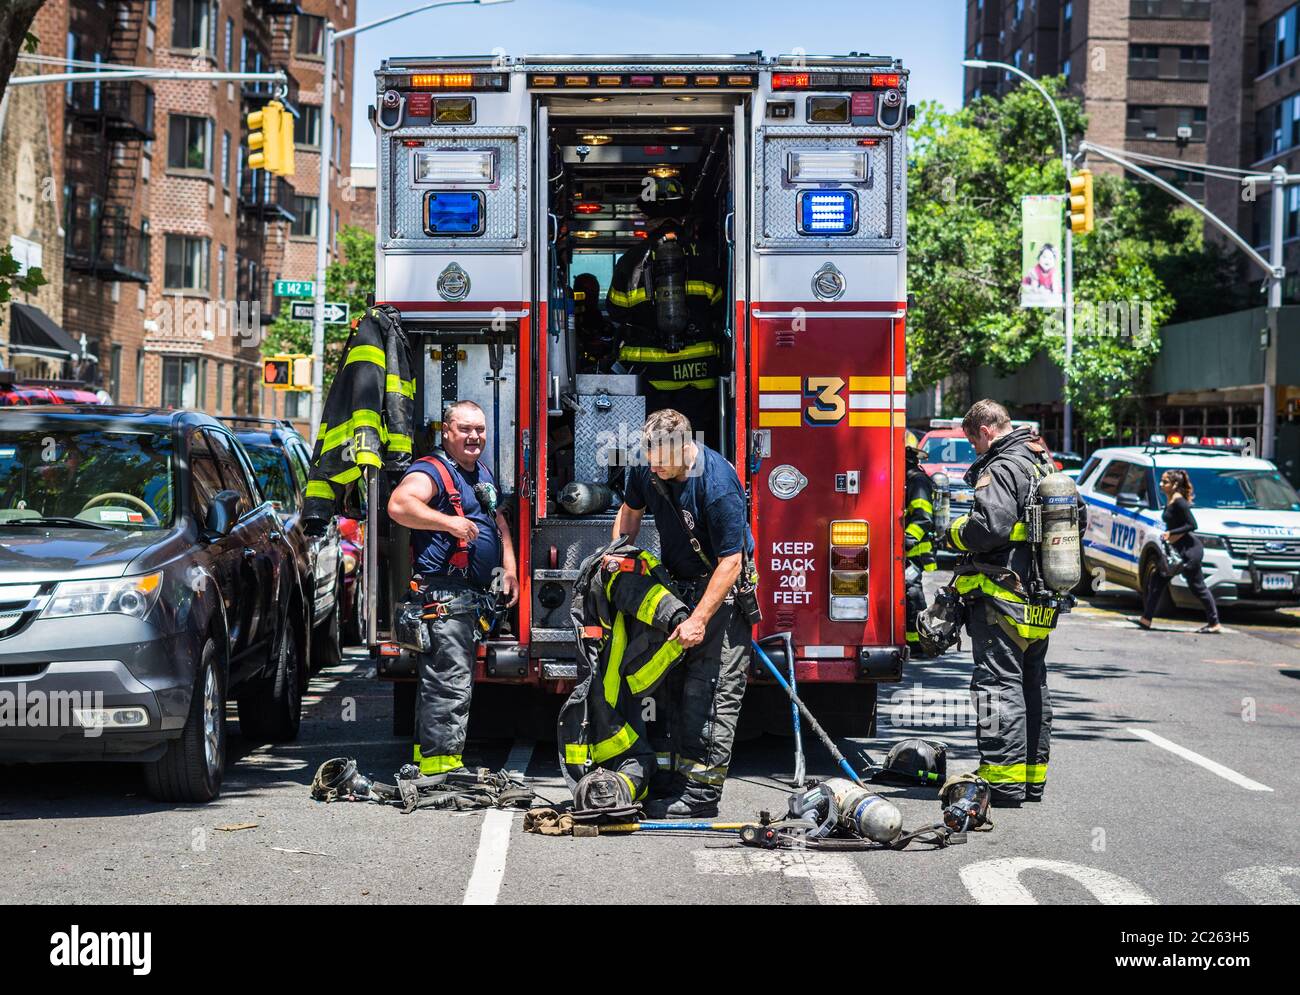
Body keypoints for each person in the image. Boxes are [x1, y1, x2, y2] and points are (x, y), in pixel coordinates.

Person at [610, 408, 754, 818]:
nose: (654, 466)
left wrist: (698, 619)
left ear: (686, 446)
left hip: (720, 595)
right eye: (650, 456)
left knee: (708, 694)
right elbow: (630, 515)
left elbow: (732, 563)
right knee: (672, 690)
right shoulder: (646, 465)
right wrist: (616, 557)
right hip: (679, 587)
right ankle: (676, 781)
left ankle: (702, 794)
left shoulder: (718, 484)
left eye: (663, 459)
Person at [944, 399, 1084, 807]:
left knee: (996, 686)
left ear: (985, 431)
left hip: (1003, 597)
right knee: (1031, 684)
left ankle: (1002, 782)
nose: (974, 450)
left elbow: (990, 527)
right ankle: (1030, 779)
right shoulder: (1043, 464)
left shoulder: (1002, 467)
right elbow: (1081, 519)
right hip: (1040, 598)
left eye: (973, 442)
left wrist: (953, 533)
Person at [387, 400, 519, 775]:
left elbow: (497, 522)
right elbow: (399, 505)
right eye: (465, 429)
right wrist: (448, 524)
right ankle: (439, 769)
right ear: (446, 432)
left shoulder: (480, 473)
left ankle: (439, 761)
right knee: (448, 683)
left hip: (472, 598)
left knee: (454, 680)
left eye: (479, 429)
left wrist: (508, 568)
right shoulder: (431, 470)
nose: (474, 436)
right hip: (444, 595)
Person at [607, 179, 726, 447]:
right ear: (683, 216)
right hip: (698, 378)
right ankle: (696, 486)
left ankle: (654, 486)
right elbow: (720, 309)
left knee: (653, 447)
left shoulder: (632, 259)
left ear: (648, 218)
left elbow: (615, 309)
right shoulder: (706, 257)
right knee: (696, 447)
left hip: (652, 379)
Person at [1136, 469, 1220, 633]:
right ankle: (1146, 619)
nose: (1161, 484)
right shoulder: (1170, 500)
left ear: (1175, 485)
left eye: (1165, 482)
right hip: (1176, 551)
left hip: (1189, 551)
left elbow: (1192, 525)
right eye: (1162, 481)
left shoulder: (1180, 502)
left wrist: (1171, 533)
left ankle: (1214, 623)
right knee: (1157, 582)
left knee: (1198, 587)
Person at [904, 440, 937, 654]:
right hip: (903, 550)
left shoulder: (917, 480)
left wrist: (907, 539)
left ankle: (919, 642)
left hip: (913, 550)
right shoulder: (905, 480)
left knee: (912, 591)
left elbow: (924, 517)